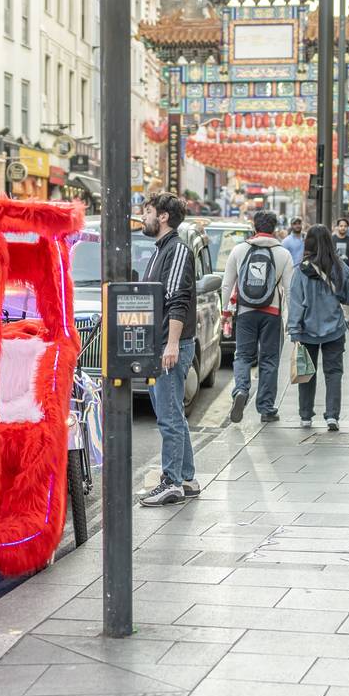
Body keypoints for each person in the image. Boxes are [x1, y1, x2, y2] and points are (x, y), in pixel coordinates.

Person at [138, 193, 199, 507]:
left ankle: (171, 481)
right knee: (172, 412)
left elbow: (177, 299)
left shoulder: (176, 250)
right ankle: (186, 477)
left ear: (162, 216)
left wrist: (172, 344)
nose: (143, 217)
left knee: (169, 416)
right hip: (159, 344)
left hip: (168, 344)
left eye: (147, 211)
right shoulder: (162, 249)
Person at [222, 210, 294, 423]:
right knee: (269, 360)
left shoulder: (239, 250)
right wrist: (291, 320)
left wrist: (225, 311)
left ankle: (241, 390)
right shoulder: (284, 254)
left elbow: (227, 283)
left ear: (254, 226)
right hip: (272, 314)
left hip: (245, 312)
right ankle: (266, 407)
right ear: (275, 227)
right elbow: (290, 290)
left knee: (243, 355)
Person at [288, 224, 349, 430]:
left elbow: (296, 302)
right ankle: (332, 416)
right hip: (334, 329)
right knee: (334, 372)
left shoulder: (301, 270)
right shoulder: (340, 267)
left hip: (307, 330)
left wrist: (294, 329)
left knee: (306, 372)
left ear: (308, 242)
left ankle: (306, 416)